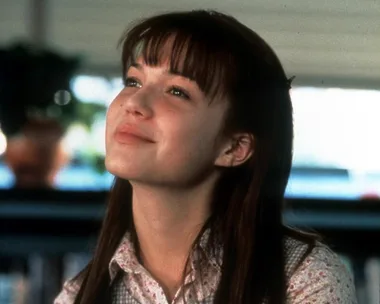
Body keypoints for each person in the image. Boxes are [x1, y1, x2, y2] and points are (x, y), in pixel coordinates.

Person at [55, 10, 357, 304]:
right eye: (134, 81)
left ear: (235, 148)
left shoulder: (303, 279)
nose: (134, 102)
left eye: (177, 91)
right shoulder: (79, 294)